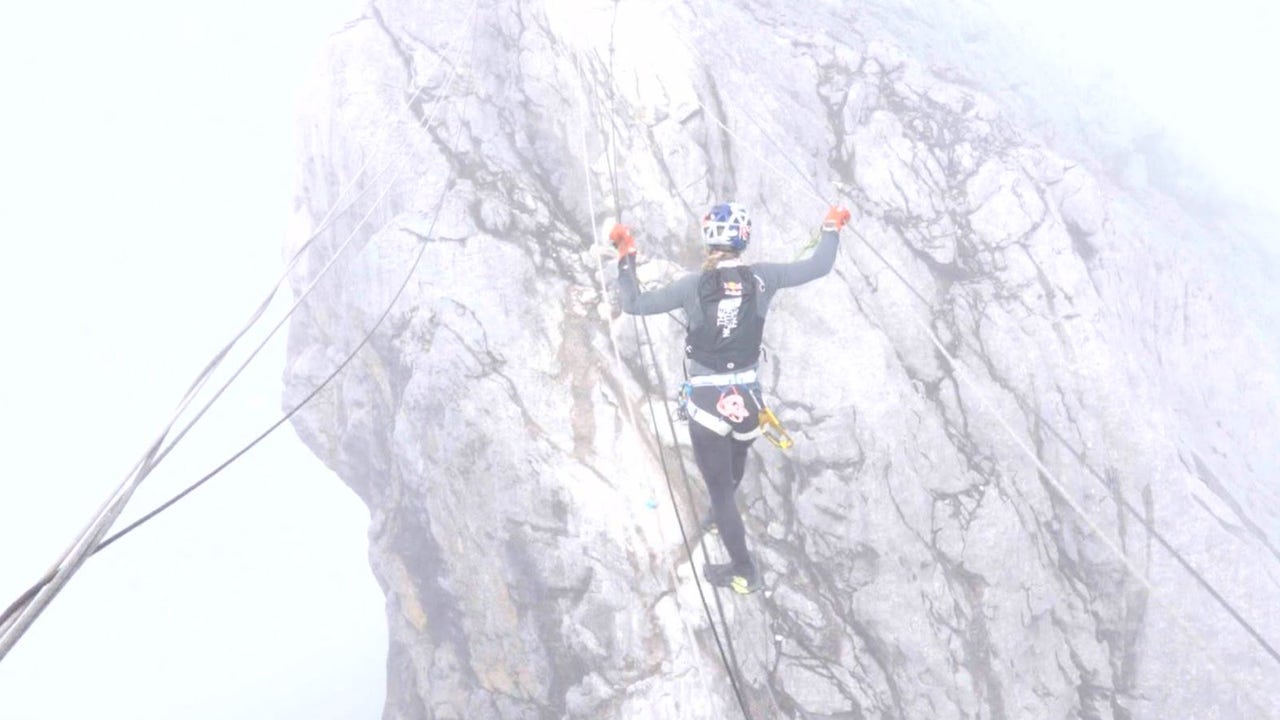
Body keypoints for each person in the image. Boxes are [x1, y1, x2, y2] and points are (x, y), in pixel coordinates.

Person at [611, 201, 851, 594]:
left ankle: (744, 570)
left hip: (708, 405)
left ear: (709, 240)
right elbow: (819, 266)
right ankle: (715, 517)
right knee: (733, 470)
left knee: (721, 491)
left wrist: (627, 257)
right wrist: (831, 226)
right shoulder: (762, 279)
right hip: (748, 406)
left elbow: (634, 303)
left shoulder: (693, 286)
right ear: (743, 239)